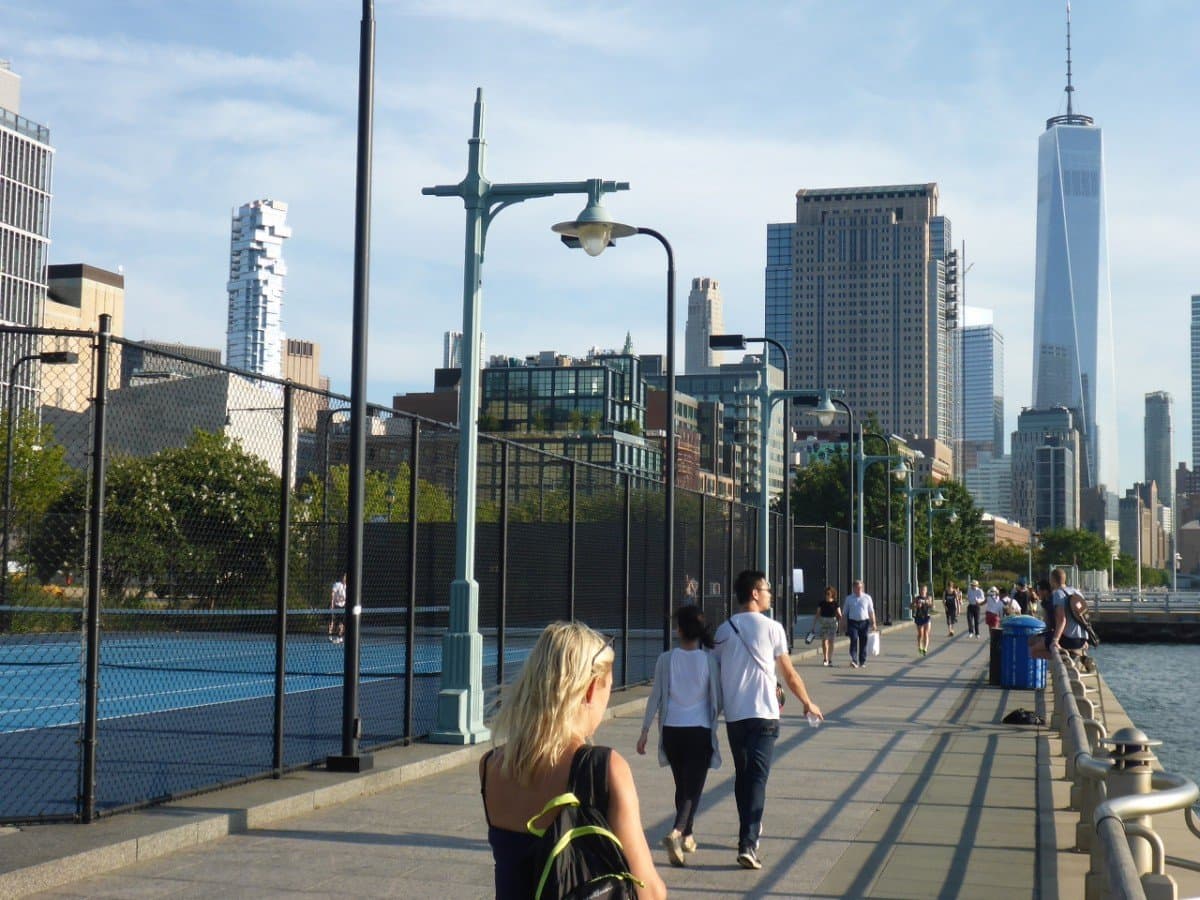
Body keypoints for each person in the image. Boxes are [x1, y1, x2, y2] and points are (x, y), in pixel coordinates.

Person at [480, 622, 666, 900]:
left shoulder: (491, 766)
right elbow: (648, 890)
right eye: (608, 690)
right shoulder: (603, 768)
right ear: (590, 689)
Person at [714, 569, 823, 870]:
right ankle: (749, 842)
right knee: (758, 778)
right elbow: (789, 673)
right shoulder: (773, 628)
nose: (770, 594)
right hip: (764, 713)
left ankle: (747, 829)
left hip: (735, 716)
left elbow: (714, 672)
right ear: (754, 593)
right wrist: (807, 702)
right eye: (767, 589)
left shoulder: (723, 631)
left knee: (743, 775)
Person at [637, 605, 722, 867]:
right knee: (692, 790)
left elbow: (656, 697)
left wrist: (645, 731)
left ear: (680, 630)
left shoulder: (666, 659)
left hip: (672, 732)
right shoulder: (709, 660)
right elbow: (717, 699)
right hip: (699, 731)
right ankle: (675, 833)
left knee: (683, 786)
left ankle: (688, 835)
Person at [1030, 568, 1089, 661]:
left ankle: (1065, 659)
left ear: (1052, 580)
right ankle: (1074, 657)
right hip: (1082, 639)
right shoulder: (1076, 592)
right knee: (1042, 640)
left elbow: (1062, 620)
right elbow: (1084, 616)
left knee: (1033, 651)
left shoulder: (1058, 594)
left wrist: (1055, 640)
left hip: (1068, 639)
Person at [841, 579, 877, 669]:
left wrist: (874, 623)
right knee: (853, 639)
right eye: (857, 588)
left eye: (860, 588)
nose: (858, 589)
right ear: (853, 588)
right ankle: (854, 660)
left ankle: (862, 661)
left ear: (862, 588)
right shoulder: (849, 598)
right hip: (853, 622)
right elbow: (845, 613)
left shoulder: (867, 598)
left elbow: (871, 611)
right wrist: (843, 623)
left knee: (863, 641)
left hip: (864, 622)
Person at [814, 585, 842, 666]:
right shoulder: (821, 603)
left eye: (829, 593)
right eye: (826, 593)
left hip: (833, 622)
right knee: (824, 640)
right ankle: (825, 658)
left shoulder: (835, 603)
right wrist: (814, 625)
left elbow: (839, 614)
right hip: (824, 622)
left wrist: (841, 619)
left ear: (832, 594)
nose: (827, 595)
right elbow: (817, 614)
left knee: (831, 641)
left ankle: (830, 659)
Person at [912, 584, 933, 656]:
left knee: (926, 633)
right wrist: (916, 605)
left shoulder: (928, 597)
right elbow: (911, 606)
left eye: (924, 590)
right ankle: (919, 646)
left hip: (927, 617)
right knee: (921, 634)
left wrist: (928, 603)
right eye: (921, 590)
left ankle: (925, 649)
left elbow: (931, 605)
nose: (923, 591)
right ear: (919, 590)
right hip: (919, 617)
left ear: (926, 591)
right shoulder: (916, 598)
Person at [328, 573, 347, 644]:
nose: (345, 578)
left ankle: (340, 637)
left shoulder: (348, 587)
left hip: (343, 606)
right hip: (335, 606)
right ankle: (330, 636)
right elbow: (333, 594)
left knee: (342, 622)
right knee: (332, 621)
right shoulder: (337, 585)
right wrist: (332, 605)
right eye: (344, 577)